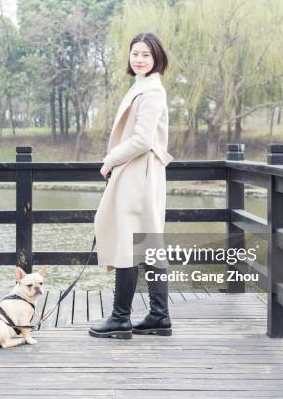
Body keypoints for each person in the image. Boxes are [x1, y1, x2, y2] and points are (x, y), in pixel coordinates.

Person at [90, 32, 174, 339]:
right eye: (135, 53)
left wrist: (110, 159)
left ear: (157, 59)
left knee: (131, 241)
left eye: (146, 55)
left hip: (140, 173)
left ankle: (121, 318)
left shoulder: (152, 91)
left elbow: (141, 140)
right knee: (147, 244)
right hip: (139, 173)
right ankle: (158, 316)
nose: (139, 59)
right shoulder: (143, 86)